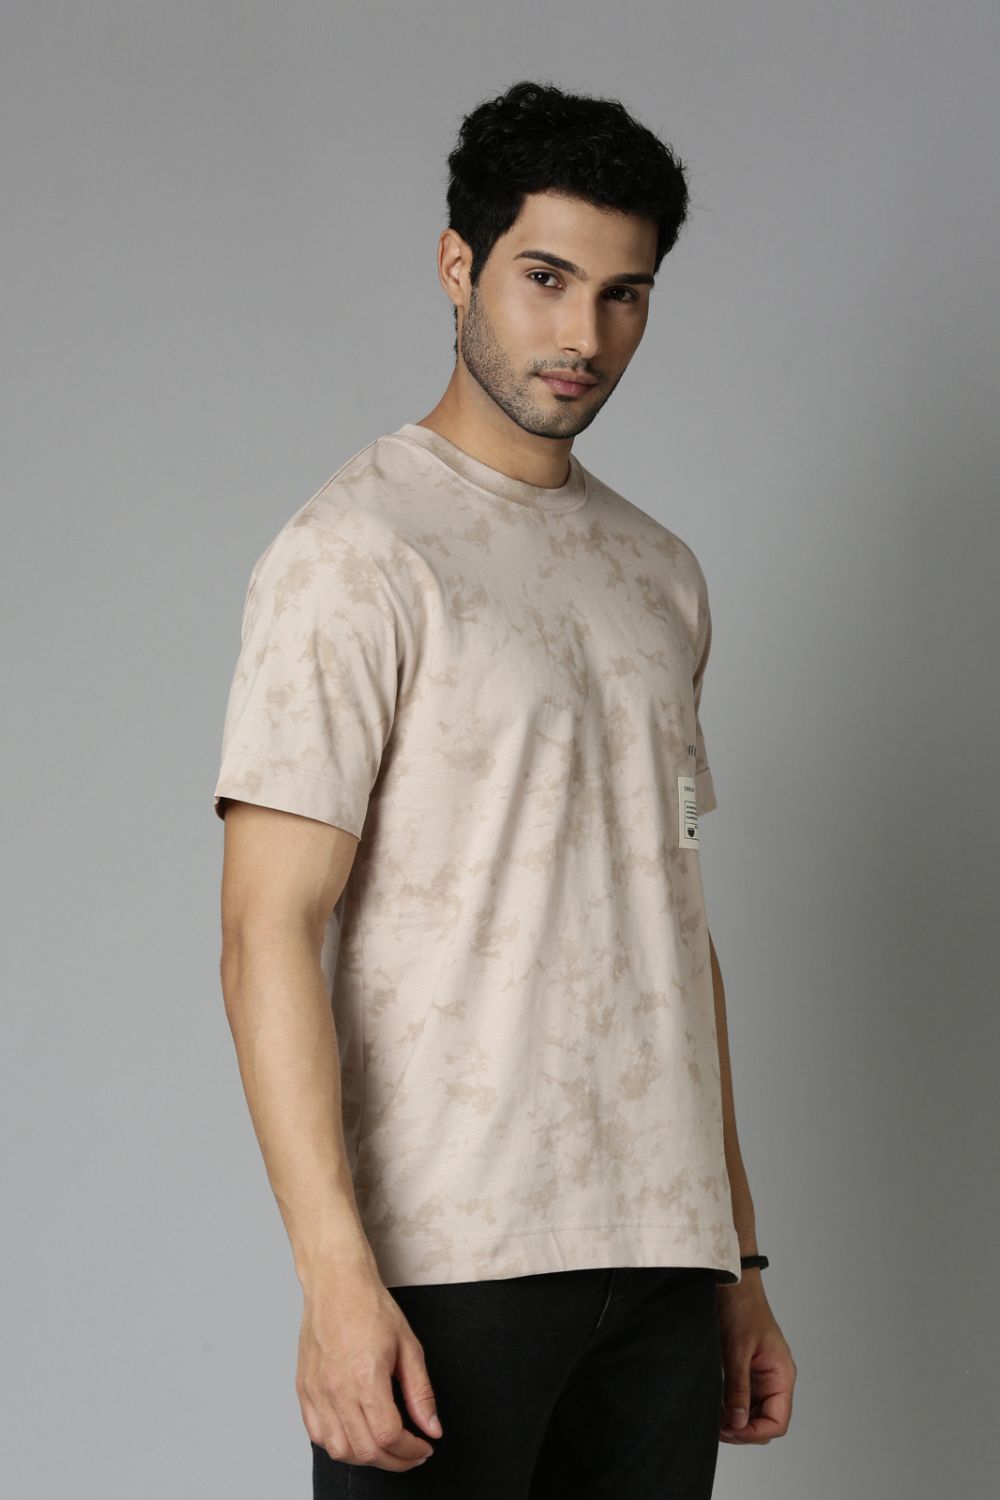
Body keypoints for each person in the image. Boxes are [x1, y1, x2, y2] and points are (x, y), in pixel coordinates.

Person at [212, 78, 796, 1498]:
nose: (583, 334)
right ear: (457, 265)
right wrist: (335, 1275)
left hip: (664, 1262)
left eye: (623, 294)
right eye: (545, 278)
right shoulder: (357, 551)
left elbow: (675, 928)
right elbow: (265, 927)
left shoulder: (661, 575)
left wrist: (737, 1259)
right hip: (451, 1255)